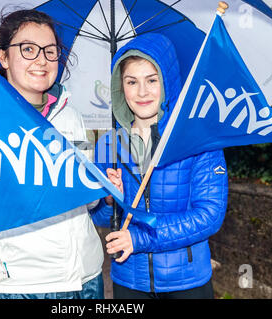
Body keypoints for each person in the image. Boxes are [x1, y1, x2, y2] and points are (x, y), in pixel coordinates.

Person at [0, 9, 104, 299]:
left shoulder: (71, 116)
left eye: (50, 51)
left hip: (85, 279)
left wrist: (100, 185)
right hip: (21, 287)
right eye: (28, 49)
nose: (41, 60)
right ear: (3, 57)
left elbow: (85, 202)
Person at [91, 33, 228, 299]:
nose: (142, 92)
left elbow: (210, 215)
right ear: (121, 88)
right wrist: (108, 201)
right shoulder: (107, 145)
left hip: (187, 283)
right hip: (128, 281)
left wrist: (139, 239)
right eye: (132, 82)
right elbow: (99, 218)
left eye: (151, 80)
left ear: (167, 82)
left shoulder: (197, 141)